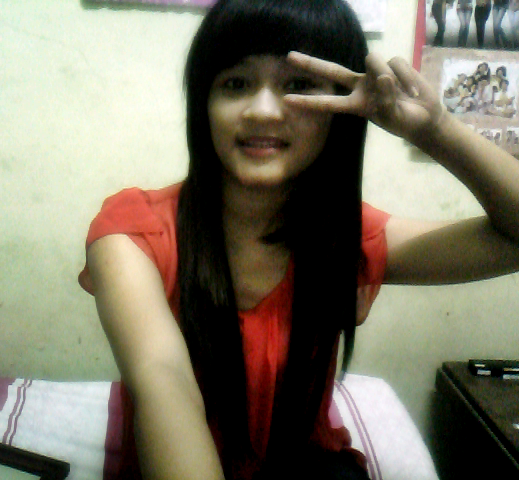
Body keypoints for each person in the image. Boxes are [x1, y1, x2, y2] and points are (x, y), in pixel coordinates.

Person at [78, 0, 519, 479]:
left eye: (299, 86)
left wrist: (437, 130)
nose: (263, 111)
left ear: (341, 109)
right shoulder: (133, 233)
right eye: (236, 84)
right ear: (203, 103)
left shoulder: (347, 235)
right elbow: (165, 383)